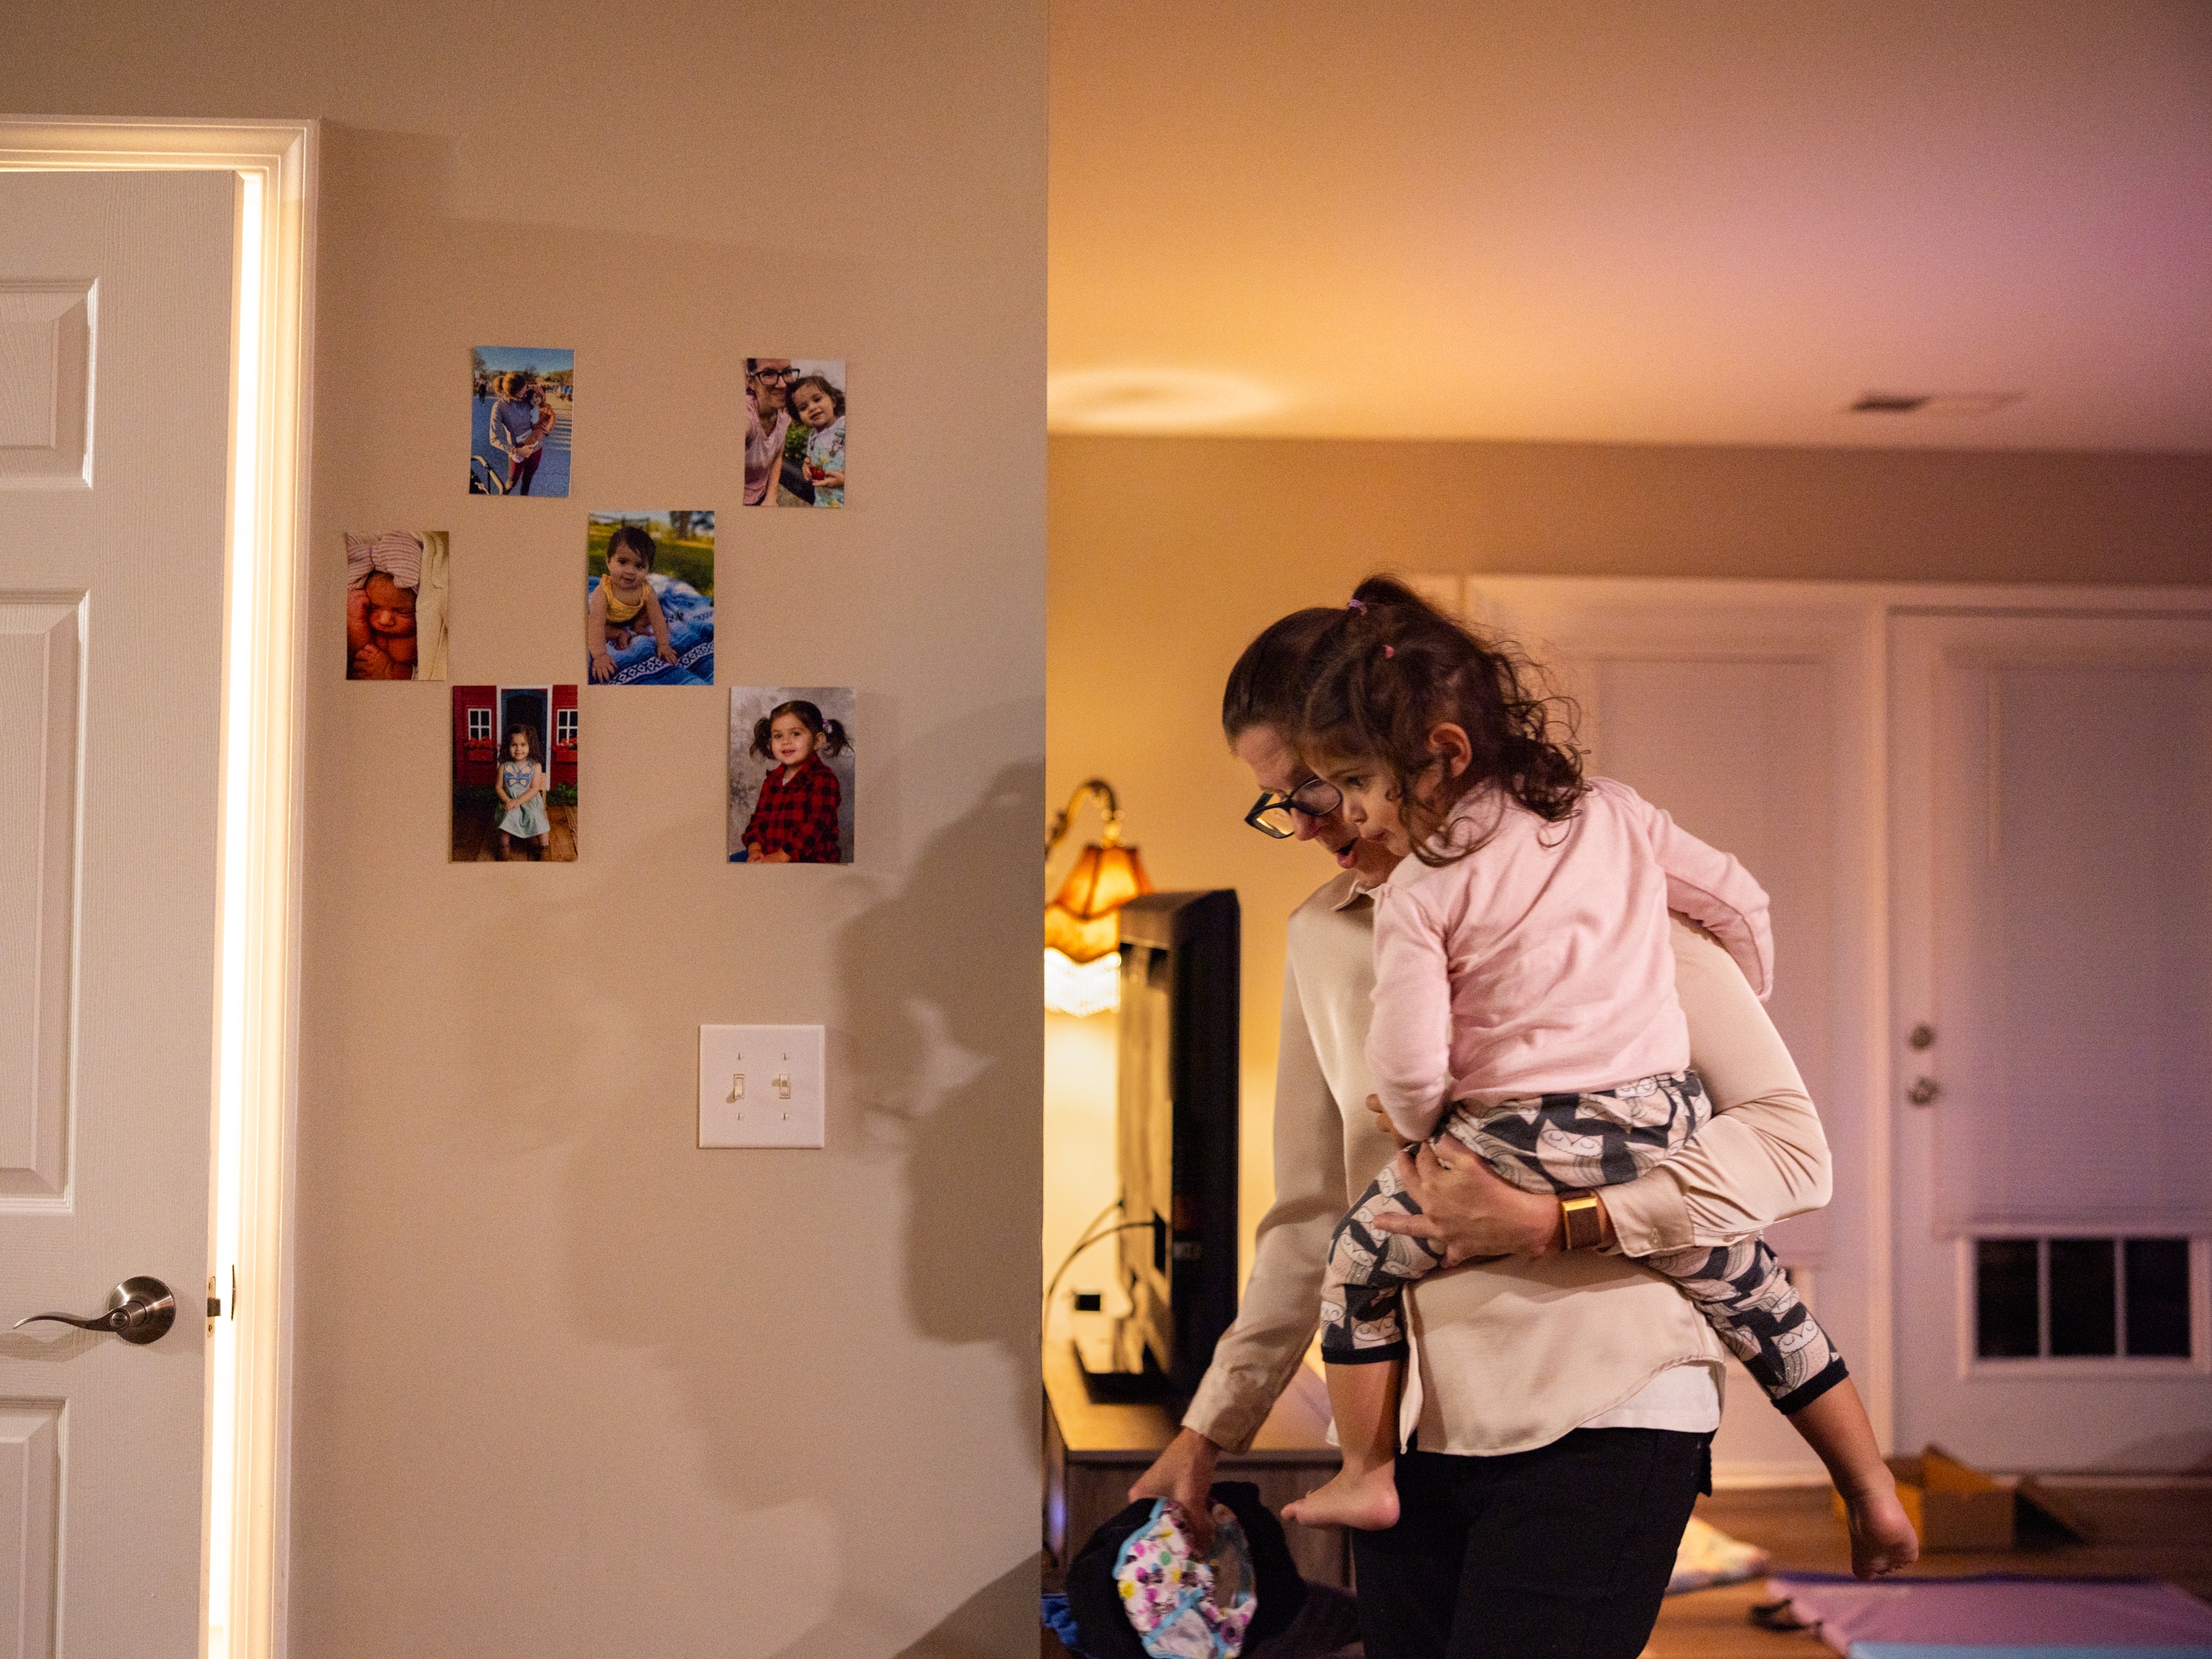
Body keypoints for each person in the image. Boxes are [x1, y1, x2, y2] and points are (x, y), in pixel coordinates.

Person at [1128, 584, 1912, 1659]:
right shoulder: (1324, 939)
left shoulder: (1602, 893)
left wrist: (1569, 1221)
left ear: (1403, 749)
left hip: (1604, 1410)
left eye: (1319, 785)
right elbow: (1314, 1217)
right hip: (1411, 1440)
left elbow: (1788, 1144)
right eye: (1279, 800)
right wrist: (1208, 1428)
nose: (1308, 824)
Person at [741, 701, 848, 863]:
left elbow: (815, 828)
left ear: (818, 740)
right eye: (778, 736)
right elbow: (759, 820)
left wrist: (783, 855)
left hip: (809, 860)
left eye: (796, 734)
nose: (786, 741)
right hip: (771, 855)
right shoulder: (772, 780)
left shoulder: (824, 779)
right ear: (771, 743)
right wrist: (755, 848)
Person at [588, 525, 680, 683]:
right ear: (608, 561)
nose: (630, 571)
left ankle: (638, 626)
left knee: (652, 609)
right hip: (608, 620)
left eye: (639, 566)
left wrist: (664, 644)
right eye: (623, 562)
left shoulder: (646, 590)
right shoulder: (602, 592)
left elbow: (658, 618)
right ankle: (619, 634)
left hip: (633, 615)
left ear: (648, 569)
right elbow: (596, 625)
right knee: (589, 626)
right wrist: (600, 655)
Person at [344, 531, 422, 680]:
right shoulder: (365, 622)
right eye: (374, 608)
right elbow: (356, 657)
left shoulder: (417, 637)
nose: (385, 620)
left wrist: (390, 671)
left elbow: (427, 673)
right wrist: (355, 622)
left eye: (404, 612)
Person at [486, 372, 554, 497]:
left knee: (527, 481)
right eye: (521, 395)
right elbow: (494, 438)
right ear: (509, 394)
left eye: (526, 390)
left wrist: (547, 429)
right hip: (518, 451)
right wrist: (516, 451)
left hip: (536, 447)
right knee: (511, 483)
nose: (525, 396)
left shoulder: (528, 395)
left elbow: (543, 412)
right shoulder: (499, 407)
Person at [494, 723, 551, 860]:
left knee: (536, 817)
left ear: (531, 746)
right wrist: (508, 801)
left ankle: (544, 846)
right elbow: (498, 787)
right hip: (509, 800)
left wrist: (518, 801)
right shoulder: (504, 766)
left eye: (523, 745)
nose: (518, 749)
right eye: (514, 745)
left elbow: (534, 788)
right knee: (508, 816)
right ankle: (504, 847)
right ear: (508, 746)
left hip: (530, 801)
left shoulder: (535, 766)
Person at [789, 374, 846, 507]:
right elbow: (811, 459)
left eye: (817, 399)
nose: (812, 408)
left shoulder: (845, 427)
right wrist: (807, 465)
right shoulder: (813, 436)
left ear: (833, 401)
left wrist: (844, 480)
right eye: (803, 408)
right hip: (821, 502)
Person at [745, 359, 795, 506]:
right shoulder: (747, 420)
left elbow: (777, 455)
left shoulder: (784, 413)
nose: (783, 384)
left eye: (787, 372)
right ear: (751, 382)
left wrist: (771, 497)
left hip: (762, 494)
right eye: (768, 373)